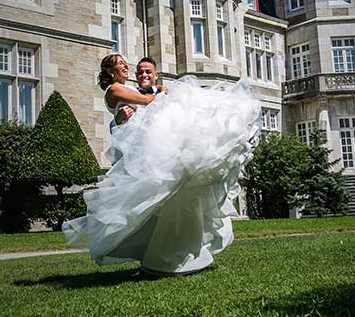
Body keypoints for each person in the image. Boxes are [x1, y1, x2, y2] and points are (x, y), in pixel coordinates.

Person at [65, 54, 260, 276]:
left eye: (129, 65)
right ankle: (163, 257)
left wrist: (162, 93)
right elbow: (147, 103)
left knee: (163, 200)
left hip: (148, 147)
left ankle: (168, 253)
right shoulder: (114, 90)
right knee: (150, 201)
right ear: (111, 71)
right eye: (122, 65)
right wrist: (162, 94)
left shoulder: (133, 89)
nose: (127, 68)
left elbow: (146, 106)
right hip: (141, 152)